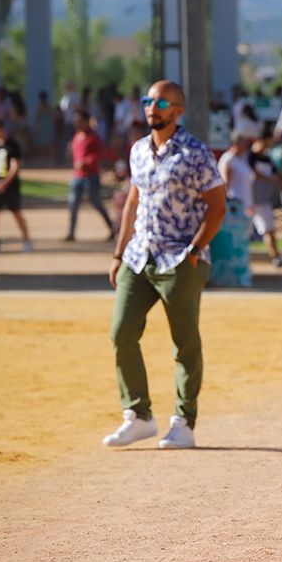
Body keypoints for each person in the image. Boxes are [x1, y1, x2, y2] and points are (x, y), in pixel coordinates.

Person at [104, 80, 227, 449]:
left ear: (178, 110)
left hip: (180, 260)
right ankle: (138, 415)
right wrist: (118, 252)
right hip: (139, 257)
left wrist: (194, 250)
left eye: (159, 102)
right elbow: (132, 203)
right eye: (147, 100)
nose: (150, 107)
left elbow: (217, 205)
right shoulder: (139, 150)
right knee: (121, 332)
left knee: (184, 344)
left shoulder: (196, 153)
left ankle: (183, 423)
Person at [211, 132, 255, 288]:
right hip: (233, 209)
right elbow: (225, 184)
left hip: (244, 206)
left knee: (242, 242)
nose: (245, 146)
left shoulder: (241, 159)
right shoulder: (228, 159)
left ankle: (241, 275)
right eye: (243, 142)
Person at [65, 110, 116, 242]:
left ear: (87, 121)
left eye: (80, 121)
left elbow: (99, 155)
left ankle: (112, 228)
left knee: (97, 203)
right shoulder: (76, 136)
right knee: (73, 204)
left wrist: (86, 162)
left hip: (91, 176)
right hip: (77, 176)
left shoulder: (93, 137)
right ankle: (71, 233)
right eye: (76, 121)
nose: (77, 123)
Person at [0, 118, 32, 252]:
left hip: (10, 185)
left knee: (16, 212)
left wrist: (5, 182)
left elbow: (14, 167)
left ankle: (27, 241)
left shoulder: (11, 144)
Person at [249, 126, 282, 266]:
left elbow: (277, 175)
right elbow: (254, 174)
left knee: (269, 229)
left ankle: (275, 257)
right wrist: (270, 179)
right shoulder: (249, 157)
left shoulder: (267, 158)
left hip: (263, 200)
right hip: (248, 201)